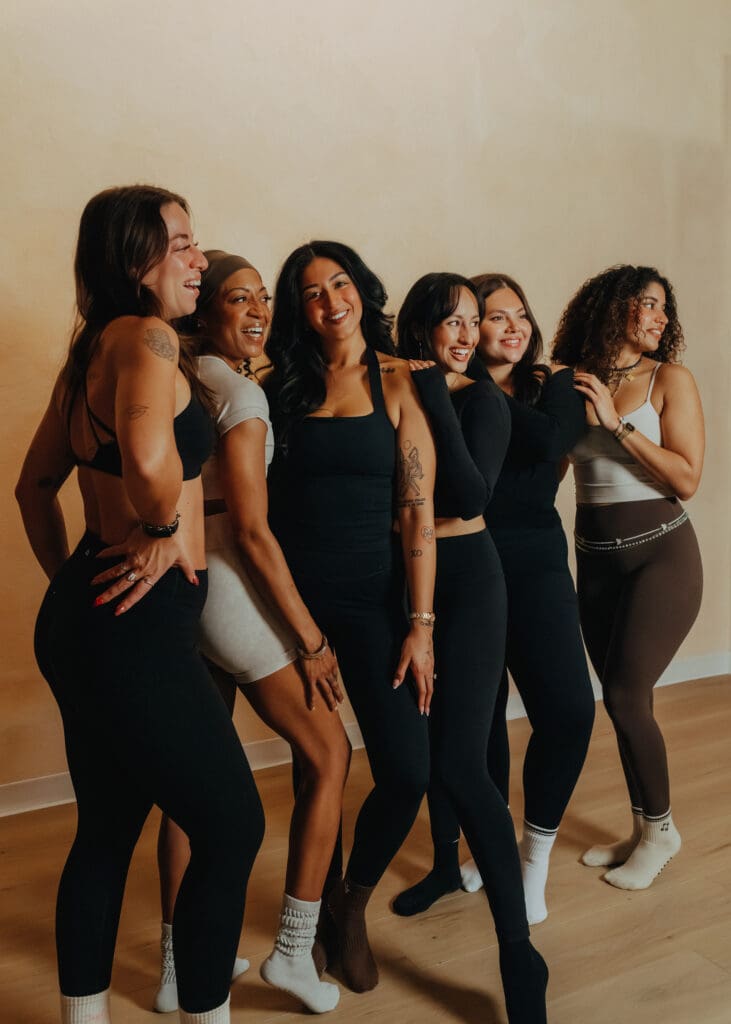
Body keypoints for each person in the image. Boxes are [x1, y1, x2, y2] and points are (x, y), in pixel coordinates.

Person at [15, 186, 264, 1024]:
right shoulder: (150, 338)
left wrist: (73, 588)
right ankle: (204, 1015)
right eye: (183, 245)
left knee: (106, 830)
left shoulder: (91, 350)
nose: (200, 258)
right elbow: (154, 463)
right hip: (136, 625)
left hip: (89, 613)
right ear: (135, 262)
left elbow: (33, 488)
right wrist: (161, 525)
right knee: (231, 826)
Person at [153, 250, 351, 1015]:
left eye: (264, 298)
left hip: (177, 586)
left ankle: (176, 970)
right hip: (225, 585)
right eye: (239, 299)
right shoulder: (240, 395)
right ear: (203, 311)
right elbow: (253, 534)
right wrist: (309, 638)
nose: (258, 311)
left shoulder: (182, 373)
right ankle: (294, 955)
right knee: (329, 750)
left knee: (185, 782)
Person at [264, 240, 435, 995]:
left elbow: (416, 511)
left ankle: (352, 903)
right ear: (297, 310)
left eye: (339, 283)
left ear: (361, 289)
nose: (330, 300)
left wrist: (420, 624)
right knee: (317, 769)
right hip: (296, 611)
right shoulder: (280, 388)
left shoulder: (396, 380)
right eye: (310, 292)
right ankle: (314, 910)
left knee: (406, 769)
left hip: (372, 606)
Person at [394, 272, 548, 1024]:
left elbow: (468, 495)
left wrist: (431, 397)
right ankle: (444, 866)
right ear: (419, 327)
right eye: (447, 321)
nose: (461, 334)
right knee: (431, 751)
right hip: (408, 582)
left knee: (461, 758)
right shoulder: (386, 390)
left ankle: (518, 950)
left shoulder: (482, 402)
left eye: (468, 322)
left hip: (471, 582)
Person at [432, 273, 595, 924]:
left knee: (569, 710)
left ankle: (534, 858)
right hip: (462, 562)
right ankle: (489, 845)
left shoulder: (550, 383)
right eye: (492, 316)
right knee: (479, 719)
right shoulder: (443, 388)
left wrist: (466, 388)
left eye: (519, 314)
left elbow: (554, 443)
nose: (511, 326)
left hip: (532, 561)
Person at [552, 264, 704, 889]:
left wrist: (616, 426)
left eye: (664, 307)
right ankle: (643, 825)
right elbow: (553, 465)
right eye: (646, 303)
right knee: (618, 699)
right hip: (594, 559)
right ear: (612, 308)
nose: (660, 316)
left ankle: (663, 829)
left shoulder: (668, 379)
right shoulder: (573, 380)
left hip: (662, 556)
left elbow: (687, 478)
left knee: (625, 695)